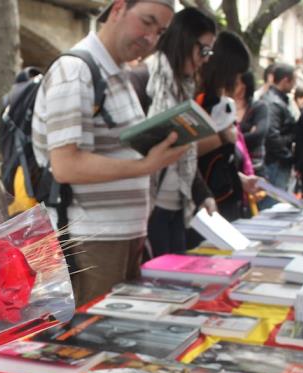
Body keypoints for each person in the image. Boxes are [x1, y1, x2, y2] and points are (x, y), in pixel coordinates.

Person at [31, 0, 187, 306]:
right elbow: (65, 165)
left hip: (117, 234)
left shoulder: (116, 72)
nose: (151, 37)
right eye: (147, 21)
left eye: (160, 31)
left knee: (114, 338)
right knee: (95, 339)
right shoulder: (75, 70)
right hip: (93, 238)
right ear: (117, 9)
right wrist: (146, 166)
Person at [145, 7, 218, 257]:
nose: (205, 59)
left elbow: (184, 151)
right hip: (148, 208)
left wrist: (202, 194)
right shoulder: (145, 80)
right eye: (204, 50)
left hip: (177, 205)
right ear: (185, 39)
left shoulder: (184, 89)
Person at [195, 31, 260, 223]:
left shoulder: (219, 102)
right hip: (208, 206)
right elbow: (187, 152)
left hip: (225, 200)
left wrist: (240, 179)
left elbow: (220, 161)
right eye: (237, 76)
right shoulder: (200, 100)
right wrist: (222, 137)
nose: (239, 84)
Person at [260, 63, 296, 204]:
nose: (294, 85)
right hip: (275, 162)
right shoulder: (274, 103)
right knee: (273, 204)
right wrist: (287, 155)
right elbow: (272, 136)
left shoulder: (276, 100)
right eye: (294, 80)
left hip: (276, 161)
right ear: (286, 80)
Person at [234, 70, 269, 176]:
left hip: (254, 168)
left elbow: (259, 134)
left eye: (236, 83)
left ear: (245, 86)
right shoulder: (225, 106)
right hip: (233, 165)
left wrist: (233, 137)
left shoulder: (259, 106)